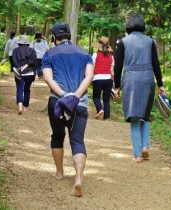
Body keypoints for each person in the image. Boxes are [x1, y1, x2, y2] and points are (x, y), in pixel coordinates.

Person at [42, 22, 94, 197]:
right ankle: (78, 178)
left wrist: (65, 95)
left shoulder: (49, 54)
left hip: (57, 102)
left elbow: (49, 79)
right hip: (79, 103)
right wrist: (76, 96)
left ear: (54, 38)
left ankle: (59, 172)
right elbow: (89, 77)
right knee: (77, 140)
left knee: (57, 136)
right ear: (70, 37)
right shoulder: (85, 54)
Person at [114, 14, 165, 163]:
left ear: (128, 26)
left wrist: (116, 86)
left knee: (134, 117)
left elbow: (118, 67)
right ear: (143, 26)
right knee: (146, 115)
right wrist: (161, 85)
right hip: (148, 79)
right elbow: (156, 64)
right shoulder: (150, 42)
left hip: (131, 80)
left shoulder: (123, 42)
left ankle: (137, 154)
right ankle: (145, 147)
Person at [12, 35, 37, 115]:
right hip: (29, 73)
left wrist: (19, 67)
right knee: (27, 89)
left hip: (19, 72)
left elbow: (13, 61)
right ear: (27, 42)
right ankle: (25, 106)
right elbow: (34, 61)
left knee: (19, 88)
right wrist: (26, 65)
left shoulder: (15, 50)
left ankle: (19, 105)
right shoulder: (32, 50)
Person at [91, 36, 114, 120]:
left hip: (98, 78)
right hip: (108, 79)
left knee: (96, 97)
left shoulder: (95, 55)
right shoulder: (111, 57)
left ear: (98, 45)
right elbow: (112, 71)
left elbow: (92, 68)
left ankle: (100, 109)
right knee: (106, 100)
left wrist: (90, 77)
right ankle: (106, 116)